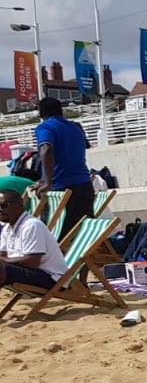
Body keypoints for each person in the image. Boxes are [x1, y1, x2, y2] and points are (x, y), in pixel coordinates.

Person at [31, 96, 94, 244]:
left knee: (53, 238)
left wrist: (47, 181)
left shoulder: (45, 127)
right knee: (82, 236)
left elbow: (46, 149)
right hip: (84, 186)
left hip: (62, 190)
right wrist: (43, 179)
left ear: (42, 113)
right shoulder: (76, 127)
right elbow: (73, 153)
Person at [0, 174, 69, 289]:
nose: (0, 210)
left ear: (20, 205)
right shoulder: (7, 227)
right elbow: (2, 254)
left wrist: (5, 261)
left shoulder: (31, 225)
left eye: (4, 205)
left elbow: (32, 262)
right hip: (28, 271)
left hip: (50, 277)